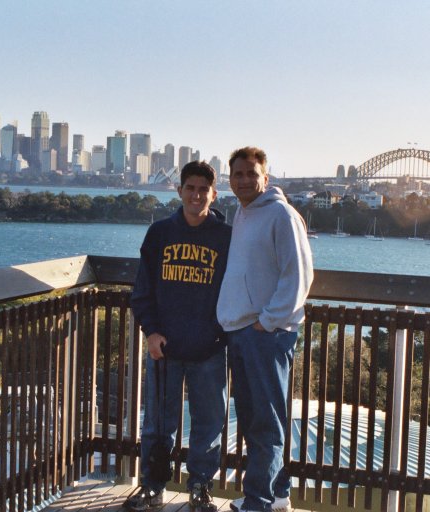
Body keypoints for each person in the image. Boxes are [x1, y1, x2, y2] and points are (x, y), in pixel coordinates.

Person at [127, 161, 232, 512]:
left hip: (209, 349)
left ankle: (200, 487)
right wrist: (151, 331)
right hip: (165, 348)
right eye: (190, 188)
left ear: (214, 194)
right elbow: (143, 290)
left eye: (204, 189)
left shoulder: (226, 237)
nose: (196, 195)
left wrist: (222, 334)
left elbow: (239, 289)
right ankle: (152, 486)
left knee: (209, 423)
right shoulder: (159, 233)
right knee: (157, 423)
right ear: (179, 191)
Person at [217, 147, 314, 512]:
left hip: (265, 334)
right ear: (230, 179)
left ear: (265, 178)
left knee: (265, 421)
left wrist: (267, 322)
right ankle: (278, 493)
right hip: (242, 330)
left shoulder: (282, 215)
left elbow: (298, 276)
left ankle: (257, 501)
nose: (244, 180)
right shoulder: (242, 213)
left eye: (251, 174)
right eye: (238, 174)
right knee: (255, 417)